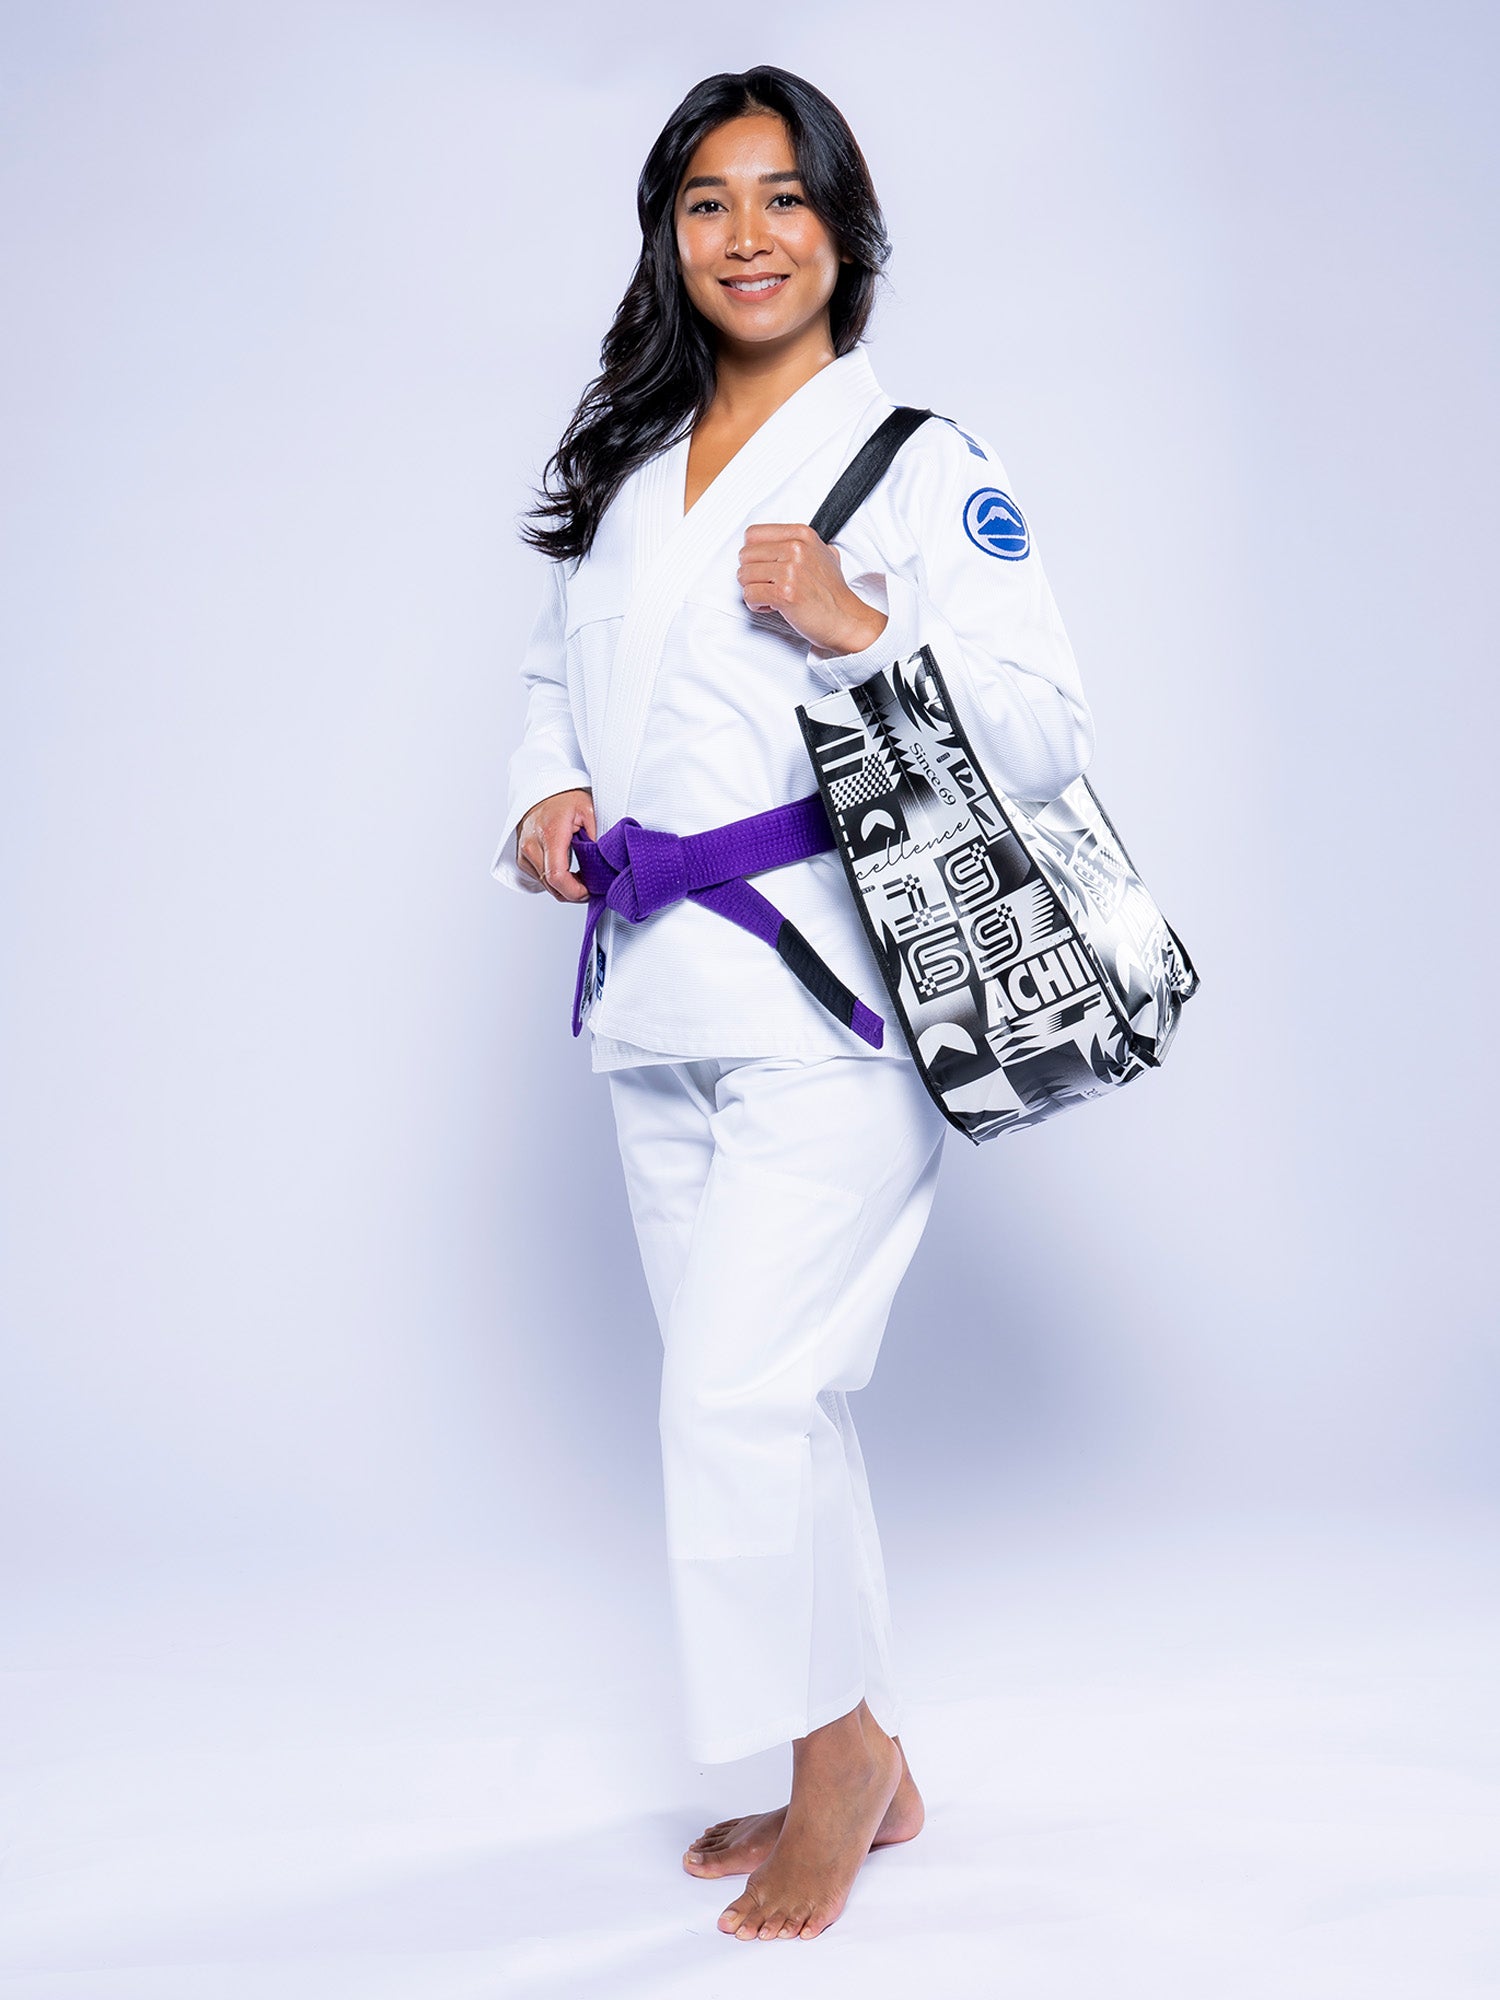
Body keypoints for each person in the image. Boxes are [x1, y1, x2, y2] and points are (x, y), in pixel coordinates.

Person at [492, 65, 1093, 1942]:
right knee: (775, 1401)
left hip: (829, 992)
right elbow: (550, 681)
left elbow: (1047, 730)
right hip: (649, 998)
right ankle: (878, 1759)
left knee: (734, 1399)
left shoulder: (917, 462)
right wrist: (540, 797)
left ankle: (831, 1760)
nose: (746, 237)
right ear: (669, 237)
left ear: (844, 230)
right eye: (705, 203)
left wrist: (858, 622)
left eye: (783, 199)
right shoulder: (629, 468)